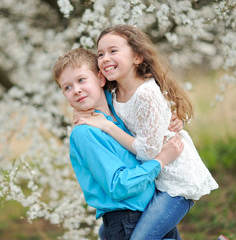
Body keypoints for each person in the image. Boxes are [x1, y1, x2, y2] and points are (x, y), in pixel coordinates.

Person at [75, 25, 219, 240]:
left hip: (176, 183)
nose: (105, 58)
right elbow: (89, 100)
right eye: (100, 54)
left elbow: (150, 152)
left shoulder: (146, 94)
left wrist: (109, 127)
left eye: (113, 51)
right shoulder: (114, 92)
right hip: (152, 180)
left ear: (137, 56)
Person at [52, 47, 184, 240]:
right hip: (126, 220)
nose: (76, 90)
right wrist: (161, 160)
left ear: (100, 78)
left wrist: (172, 120)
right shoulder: (85, 132)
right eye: (67, 87)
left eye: (81, 80)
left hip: (154, 211)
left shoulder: (120, 110)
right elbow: (118, 186)